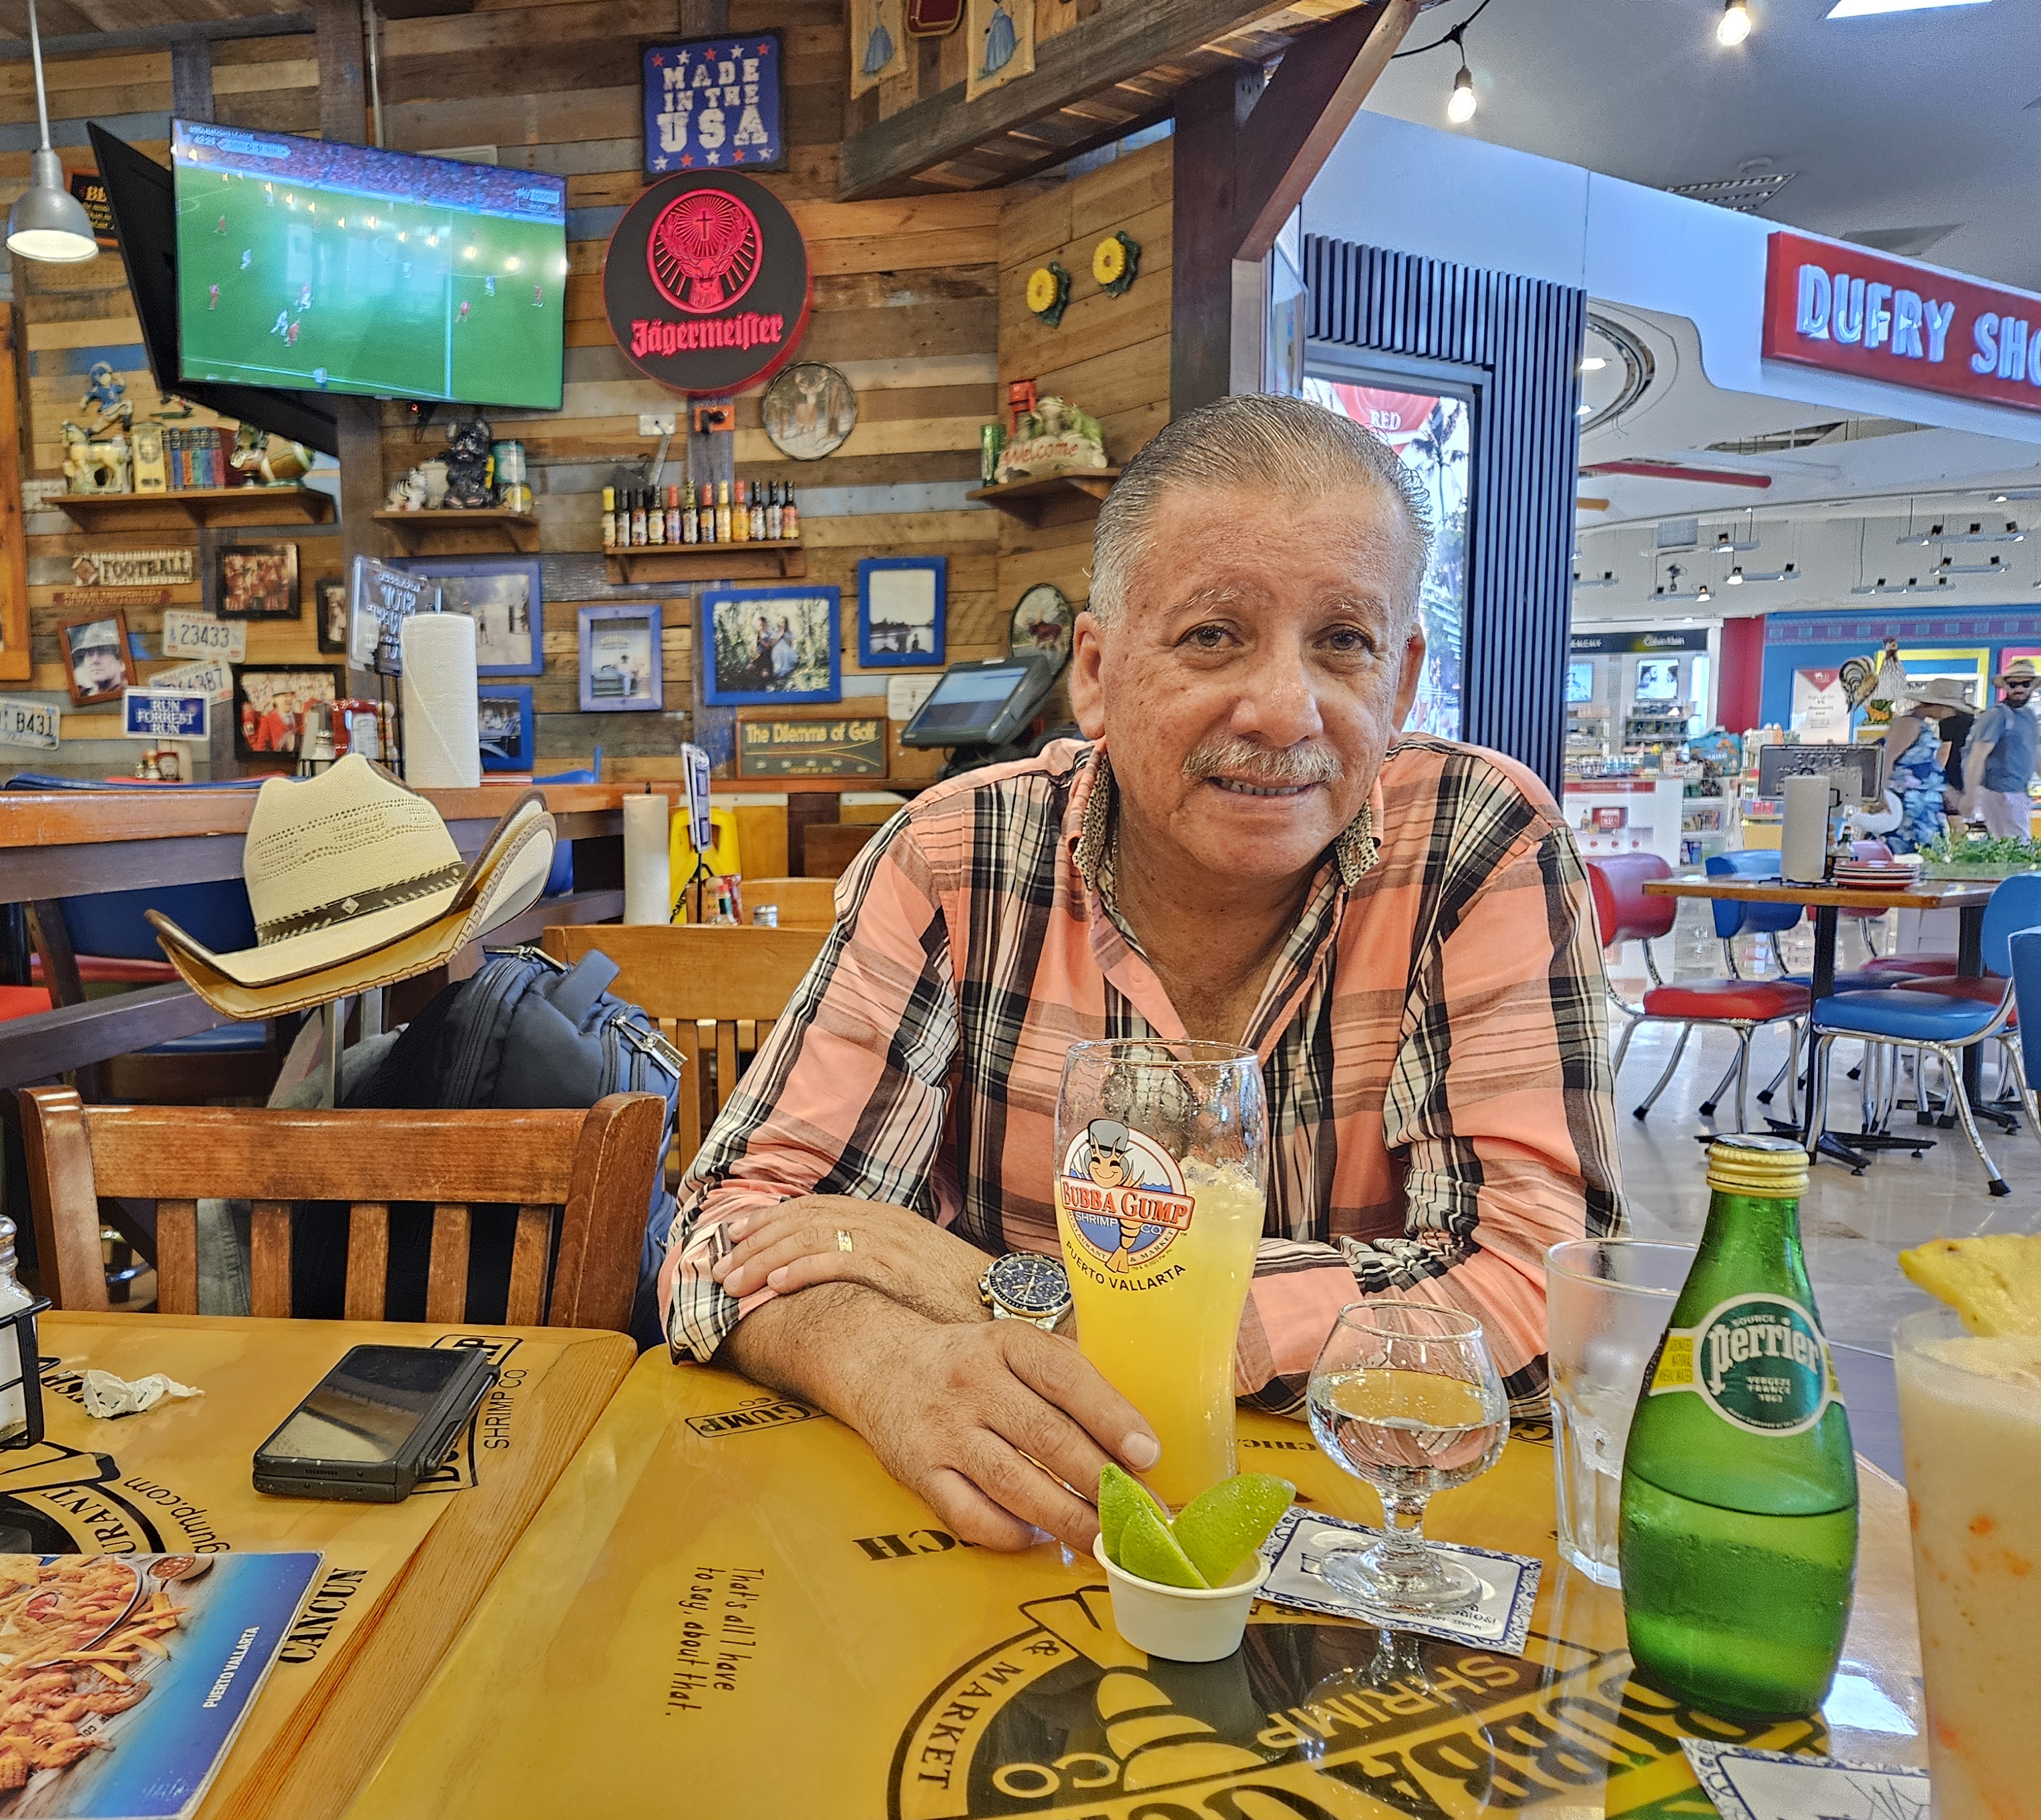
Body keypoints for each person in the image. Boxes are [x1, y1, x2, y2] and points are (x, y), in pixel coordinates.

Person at [659, 394, 1624, 1554]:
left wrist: (1006, 1296)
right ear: (1097, 671)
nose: (1285, 711)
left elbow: (1539, 1290)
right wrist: (886, 1359)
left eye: (1343, 642)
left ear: (1402, 678)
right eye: (1213, 636)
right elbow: (727, 1237)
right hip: (1016, 1534)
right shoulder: (955, 859)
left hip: (1371, 1546)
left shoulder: (1480, 842)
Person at [1880, 683, 1961, 854]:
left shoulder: (1919, 725)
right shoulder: (1909, 724)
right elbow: (1887, 758)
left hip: (1921, 808)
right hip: (1907, 807)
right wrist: (1881, 796)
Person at [1965, 666, 2038, 837]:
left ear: (2032, 686)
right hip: (1999, 794)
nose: (2019, 689)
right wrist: (1970, 795)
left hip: (2019, 793)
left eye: (2025, 684)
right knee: (2016, 845)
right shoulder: (1997, 715)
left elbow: (2035, 754)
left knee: (2017, 845)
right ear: (2005, 686)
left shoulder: (2029, 716)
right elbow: (1978, 756)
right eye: (2013, 685)